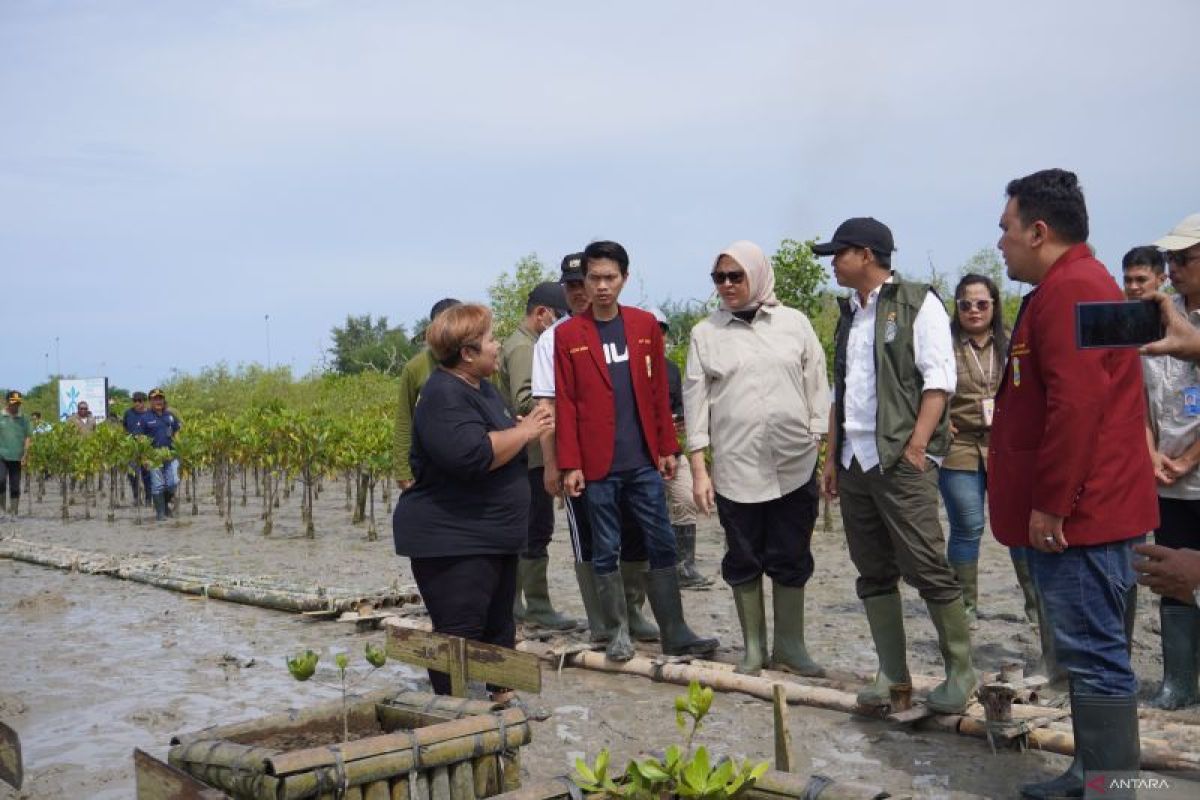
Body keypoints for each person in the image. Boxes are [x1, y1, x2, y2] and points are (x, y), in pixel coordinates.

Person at [989, 169, 1157, 799]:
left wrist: (1052, 506)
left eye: (1006, 229)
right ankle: (1095, 776)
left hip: (1084, 517)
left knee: (1095, 655)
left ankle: (1110, 786)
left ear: (1039, 230)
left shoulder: (1075, 289)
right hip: (1094, 506)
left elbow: (1080, 406)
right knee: (1091, 653)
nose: (1000, 242)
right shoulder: (1075, 285)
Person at [816, 217, 977, 715]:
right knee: (873, 570)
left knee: (927, 564)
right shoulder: (850, 313)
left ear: (865, 254)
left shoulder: (915, 302)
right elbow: (843, 388)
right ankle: (893, 673)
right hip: (854, 458)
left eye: (838, 254)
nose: (833, 263)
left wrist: (917, 446)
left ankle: (960, 671)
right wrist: (831, 456)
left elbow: (939, 381)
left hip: (899, 459)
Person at [554, 240, 718, 661]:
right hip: (596, 464)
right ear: (584, 282)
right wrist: (570, 463)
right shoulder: (569, 334)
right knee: (606, 545)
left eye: (610, 278)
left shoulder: (644, 327)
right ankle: (616, 631)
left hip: (643, 459)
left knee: (661, 540)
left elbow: (658, 393)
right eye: (594, 278)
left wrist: (667, 448)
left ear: (625, 279)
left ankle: (676, 630)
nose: (602, 286)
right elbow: (567, 401)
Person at [392, 303, 553, 699]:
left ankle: (503, 703)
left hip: (492, 534)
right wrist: (528, 430)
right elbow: (472, 455)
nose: (498, 346)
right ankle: (454, 718)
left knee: (499, 627)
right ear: (467, 353)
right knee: (459, 633)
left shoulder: (481, 387)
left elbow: (491, 435)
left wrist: (515, 429)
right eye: (491, 340)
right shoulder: (442, 394)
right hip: (454, 539)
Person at [684, 241, 828, 676]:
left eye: (735, 276)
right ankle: (752, 648)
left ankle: (790, 647)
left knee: (791, 553)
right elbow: (696, 402)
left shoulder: (793, 323)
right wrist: (698, 469)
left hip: (794, 461)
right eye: (719, 278)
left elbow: (817, 384)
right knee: (743, 555)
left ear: (757, 275)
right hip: (736, 466)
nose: (727, 285)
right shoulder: (704, 333)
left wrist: (819, 442)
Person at [532, 253, 659, 644]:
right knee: (590, 539)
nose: (583, 292)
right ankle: (604, 622)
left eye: (588, 282)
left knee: (637, 534)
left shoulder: (632, 326)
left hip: (631, 458)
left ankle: (632, 612)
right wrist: (554, 464)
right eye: (573, 286)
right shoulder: (556, 337)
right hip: (581, 463)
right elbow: (548, 407)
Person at [938, 275, 1041, 632]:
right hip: (960, 446)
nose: (974, 310)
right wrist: (939, 421)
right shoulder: (944, 344)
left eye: (982, 303)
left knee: (1018, 526)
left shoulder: (1013, 341)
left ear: (994, 305)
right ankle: (965, 607)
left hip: (1005, 446)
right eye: (966, 304)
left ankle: (1035, 604)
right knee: (968, 527)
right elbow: (925, 386)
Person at [1137, 213, 1200, 709]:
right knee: (1169, 572)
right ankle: (1178, 682)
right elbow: (1140, 398)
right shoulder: (1156, 315)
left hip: (1192, 469)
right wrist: (1150, 451)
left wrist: (1190, 459)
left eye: (1183, 258)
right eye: (1170, 259)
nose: (1172, 267)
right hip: (1166, 475)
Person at [496, 281, 577, 630]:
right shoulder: (525, 348)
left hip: (528, 452)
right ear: (542, 314)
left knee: (531, 529)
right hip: (529, 454)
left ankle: (517, 605)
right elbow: (525, 401)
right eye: (559, 316)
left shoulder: (523, 344)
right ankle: (536, 606)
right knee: (535, 530)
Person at [650, 307, 710, 589]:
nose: (657, 336)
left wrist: (682, 420)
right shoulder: (627, 367)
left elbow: (679, 405)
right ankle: (652, 568)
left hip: (672, 448)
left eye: (661, 331)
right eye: (653, 330)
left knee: (686, 500)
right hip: (642, 453)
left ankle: (685, 566)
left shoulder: (672, 369)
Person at [394, 298, 461, 490]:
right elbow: (404, 420)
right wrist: (402, 471)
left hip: (471, 459)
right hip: (428, 463)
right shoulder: (415, 368)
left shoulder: (478, 361)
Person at [143, 388, 183, 521]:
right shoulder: (145, 418)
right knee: (158, 485)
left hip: (171, 455)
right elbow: (140, 439)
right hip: (153, 457)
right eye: (155, 399)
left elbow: (176, 432)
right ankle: (160, 513)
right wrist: (144, 458)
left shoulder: (170, 416)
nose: (158, 401)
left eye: (160, 398)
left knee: (173, 482)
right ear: (150, 401)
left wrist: (181, 450)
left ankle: (165, 505)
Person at [0, 391, 32, 520]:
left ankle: (14, 512)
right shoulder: (1, 416)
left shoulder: (24, 419)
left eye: (18, 403)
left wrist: (25, 454)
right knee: (0, 480)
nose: (16, 406)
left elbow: (28, 437)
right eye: (14, 403)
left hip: (17, 456)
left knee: (15, 485)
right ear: (7, 402)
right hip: (1, 455)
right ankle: (2, 511)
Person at [123, 392, 153, 505]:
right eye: (135, 401)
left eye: (139, 401)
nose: (137, 403)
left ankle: (148, 498)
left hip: (146, 449)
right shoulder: (128, 413)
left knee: (147, 475)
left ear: (144, 401)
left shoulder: (150, 413)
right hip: (132, 449)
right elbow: (124, 428)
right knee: (132, 475)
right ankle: (136, 497)